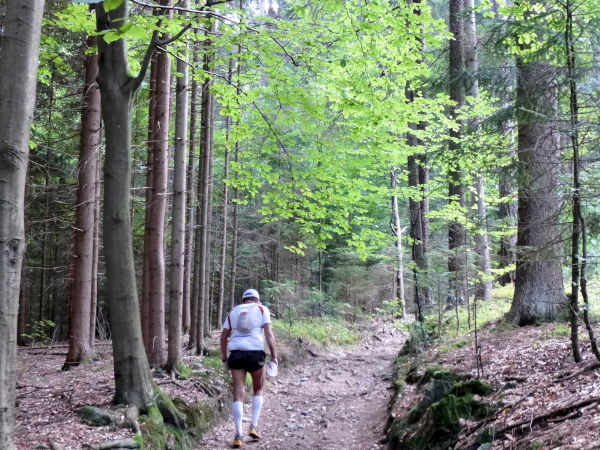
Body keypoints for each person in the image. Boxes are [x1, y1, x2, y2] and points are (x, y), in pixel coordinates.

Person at [220, 288, 278, 448]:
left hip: (236, 354)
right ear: (256, 299)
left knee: (238, 392)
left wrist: (225, 358)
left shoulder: (233, 311)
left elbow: (223, 337)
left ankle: (238, 435)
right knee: (258, 389)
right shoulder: (262, 309)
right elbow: (268, 334)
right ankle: (253, 426)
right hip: (255, 353)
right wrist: (274, 356)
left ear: (243, 299)